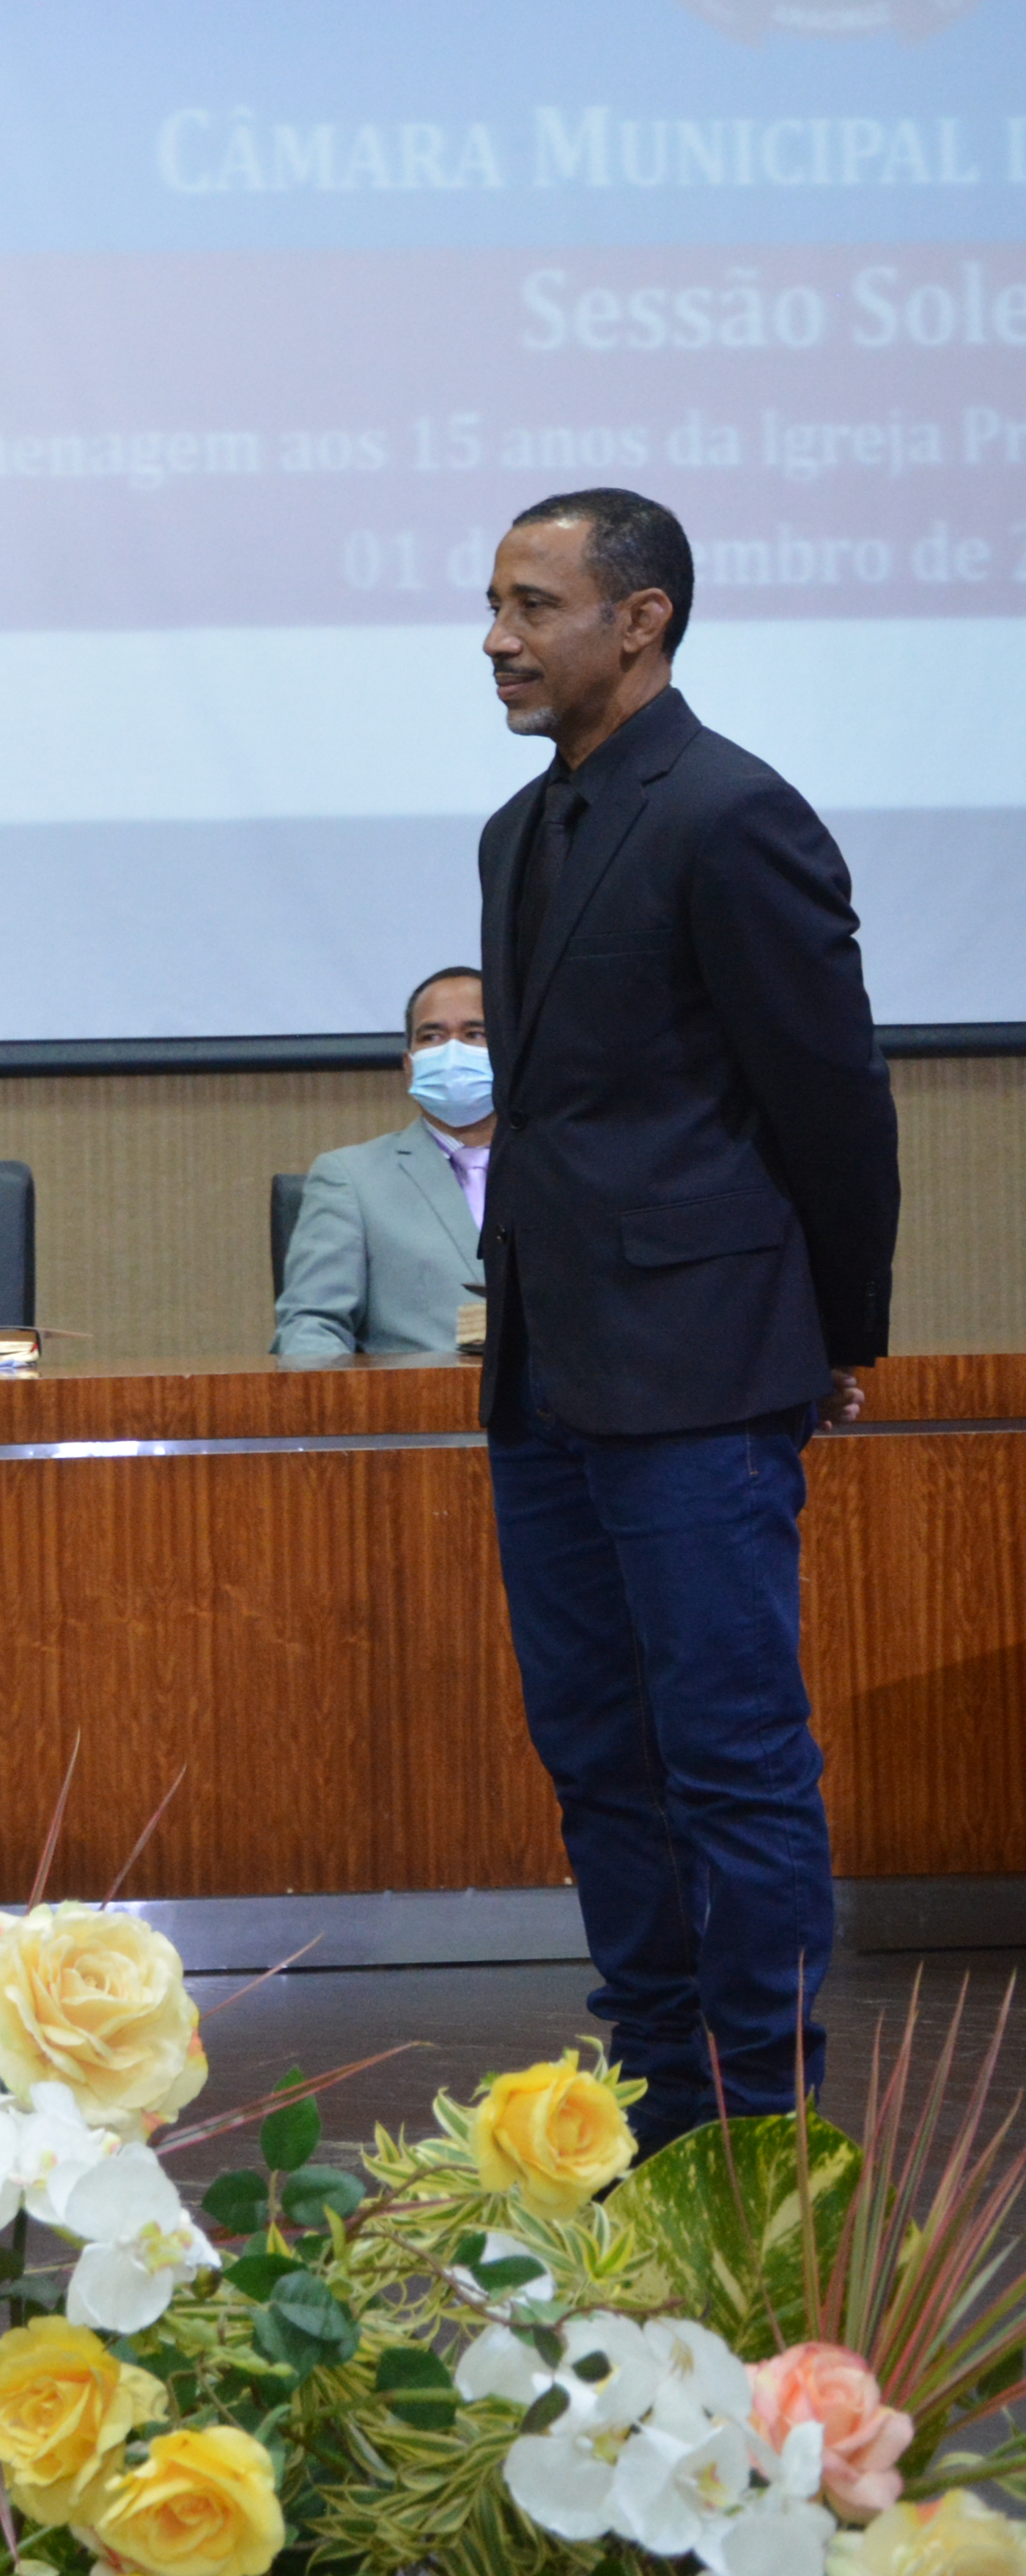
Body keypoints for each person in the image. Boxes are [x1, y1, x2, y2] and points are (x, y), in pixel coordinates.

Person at [475, 486, 900, 2144]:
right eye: (493, 608)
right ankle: (657, 2089)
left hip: (705, 1367)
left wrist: (839, 1334)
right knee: (591, 1742)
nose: (498, 641)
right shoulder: (517, 832)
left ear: (638, 620)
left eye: (532, 605)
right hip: (545, 1371)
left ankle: (767, 2111)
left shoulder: (735, 814)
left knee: (727, 1748)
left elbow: (831, 1101)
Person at [273, 966, 492, 1360]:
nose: (452, 1050)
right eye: (433, 1036)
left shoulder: (569, 1170)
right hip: (420, 1413)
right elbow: (312, 1325)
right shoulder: (351, 1179)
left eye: (475, 1034)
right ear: (409, 1065)